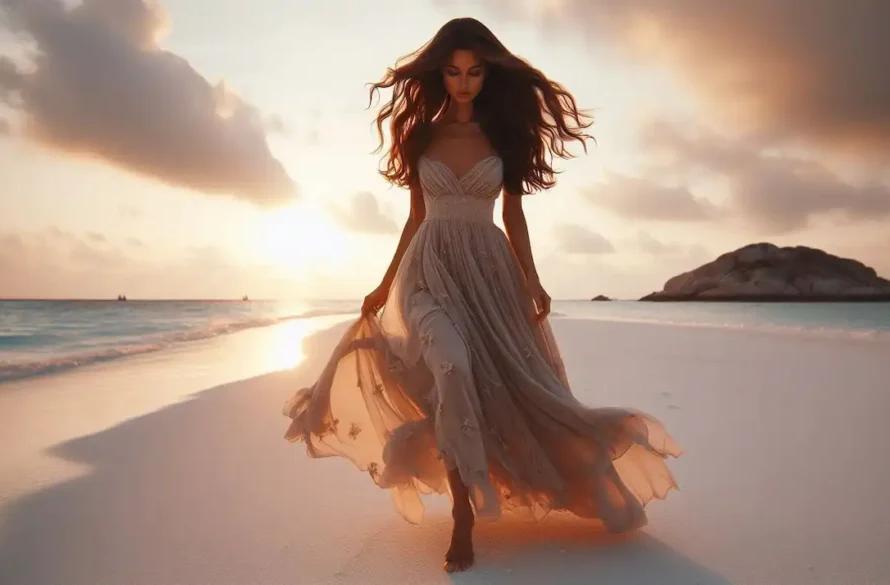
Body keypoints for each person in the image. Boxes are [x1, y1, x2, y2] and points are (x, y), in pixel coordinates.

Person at [282, 16, 683, 573]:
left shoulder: (505, 136)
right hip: (429, 268)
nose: (463, 82)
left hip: (489, 273)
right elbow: (416, 217)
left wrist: (532, 277)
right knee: (450, 364)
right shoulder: (419, 134)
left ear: (487, 74)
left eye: (473, 72)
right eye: (452, 72)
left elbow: (514, 216)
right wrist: (383, 281)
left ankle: (485, 486)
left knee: (504, 384)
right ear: (439, 74)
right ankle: (463, 513)